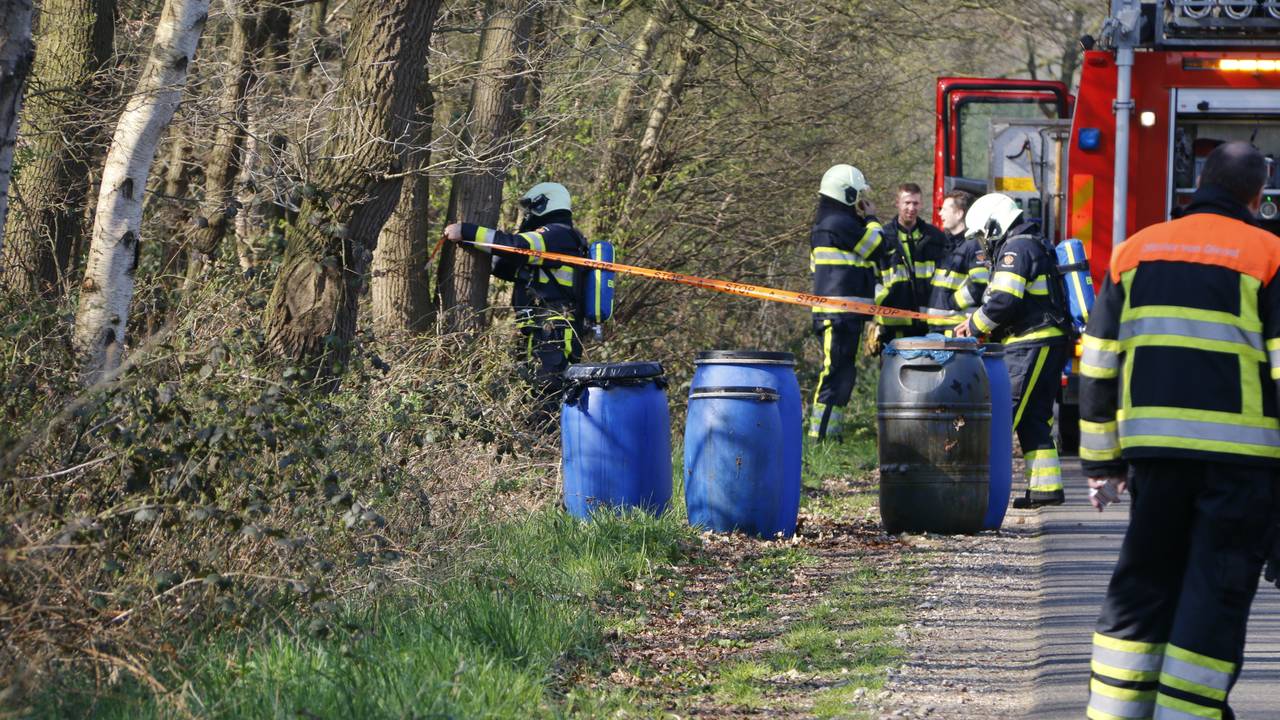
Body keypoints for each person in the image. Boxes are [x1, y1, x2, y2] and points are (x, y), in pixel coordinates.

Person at [1080, 142, 1280, 720]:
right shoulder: (1269, 256)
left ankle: (1115, 712)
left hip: (1155, 460)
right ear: (1258, 196)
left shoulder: (1135, 251)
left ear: (1197, 184)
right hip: (1240, 466)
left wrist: (1102, 464)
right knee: (1212, 594)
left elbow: (1098, 362)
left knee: (1142, 585)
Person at [954, 192, 1069, 508]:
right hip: (1042, 340)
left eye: (983, 234)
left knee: (1003, 413)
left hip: (1030, 342)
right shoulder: (1029, 243)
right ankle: (1045, 489)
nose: (983, 242)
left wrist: (973, 326)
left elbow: (1004, 301)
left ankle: (975, 496)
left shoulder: (1016, 249)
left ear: (994, 224)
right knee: (1034, 417)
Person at [444, 182, 587, 419]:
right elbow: (506, 266)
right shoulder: (553, 241)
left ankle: (548, 442)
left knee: (546, 401)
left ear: (545, 203)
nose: (527, 215)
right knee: (530, 397)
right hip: (541, 331)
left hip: (554, 334)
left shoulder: (558, 234)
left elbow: (517, 246)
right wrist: (476, 246)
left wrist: (467, 231)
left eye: (530, 209)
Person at [807, 164, 882, 439]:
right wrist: (871, 218)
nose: (860, 199)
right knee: (835, 372)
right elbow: (877, 246)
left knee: (843, 374)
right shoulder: (839, 222)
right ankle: (820, 435)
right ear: (847, 194)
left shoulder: (829, 222)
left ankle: (831, 434)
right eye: (857, 194)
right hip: (837, 314)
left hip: (844, 313)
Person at [872, 183, 949, 348]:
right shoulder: (883, 237)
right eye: (907, 203)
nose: (911, 208)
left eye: (915, 203)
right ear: (897, 203)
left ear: (921, 204)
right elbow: (872, 275)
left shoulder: (935, 237)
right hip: (892, 325)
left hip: (927, 324)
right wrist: (884, 299)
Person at [925, 190, 988, 334]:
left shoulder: (973, 244)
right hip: (938, 327)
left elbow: (980, 284)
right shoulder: (948, 244)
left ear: (959, 214)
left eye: (944, 209)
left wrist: (952, 303)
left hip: (956, 329)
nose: (940, 214)